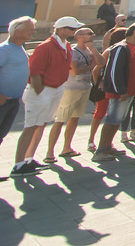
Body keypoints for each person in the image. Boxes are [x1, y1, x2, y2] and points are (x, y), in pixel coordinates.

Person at [16, 16, 83, 173]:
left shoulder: (65, 45)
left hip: (55, 89)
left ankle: (29, 159)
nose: (74, 32)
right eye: (71, 29)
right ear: (60, 29)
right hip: (43, 90)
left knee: (41, 124)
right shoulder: (45, 46)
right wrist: (40, 92)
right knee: (30, 126)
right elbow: (34, 71)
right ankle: (19, 163)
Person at [94, 23, 135, 162]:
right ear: (134, 32)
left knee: (117, 120)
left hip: (128, 92)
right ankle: (101, 150)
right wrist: (121, 90)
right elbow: (113, 71)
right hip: (120, 93)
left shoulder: (133, 48)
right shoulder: (121, 47)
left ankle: (107, 146)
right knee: (112, 120)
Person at [43, 26, 98, 161]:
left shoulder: (90, 51)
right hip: (70, 89)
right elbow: (74, 71)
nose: (93, 35)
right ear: (79, 37)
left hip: (84, 88)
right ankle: (49, 153)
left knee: (75, 118)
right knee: (60, 120)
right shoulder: (73, 51)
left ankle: (66, 148)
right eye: (89, 33)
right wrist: (90, 66)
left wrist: (94, 51)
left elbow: (101, 62)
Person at [0, 17, 36, 179]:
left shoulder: (18, 48)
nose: (33, 32)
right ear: (17, 31)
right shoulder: (5, 49)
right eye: (30, 29)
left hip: (12, 100)